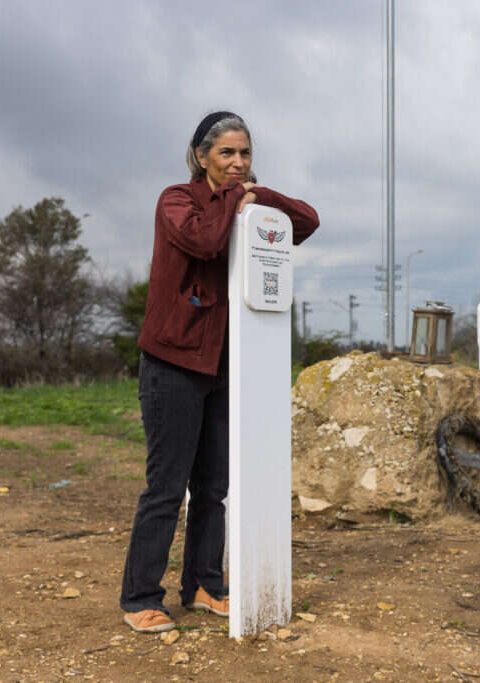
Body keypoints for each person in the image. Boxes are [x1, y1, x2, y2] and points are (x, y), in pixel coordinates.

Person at [120, 111, 319, 633]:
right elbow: (207, 241)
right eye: (227, 153)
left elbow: (307, 220)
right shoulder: (176, 200)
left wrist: (259, 196)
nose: (237, 163)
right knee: (166, 486)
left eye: (245, 153)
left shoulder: (247, 201)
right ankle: (141, 595)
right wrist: (239, 198)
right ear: (200, 155)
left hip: (224, 362)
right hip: (173, 361)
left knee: (213, 485)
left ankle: (205, 586)